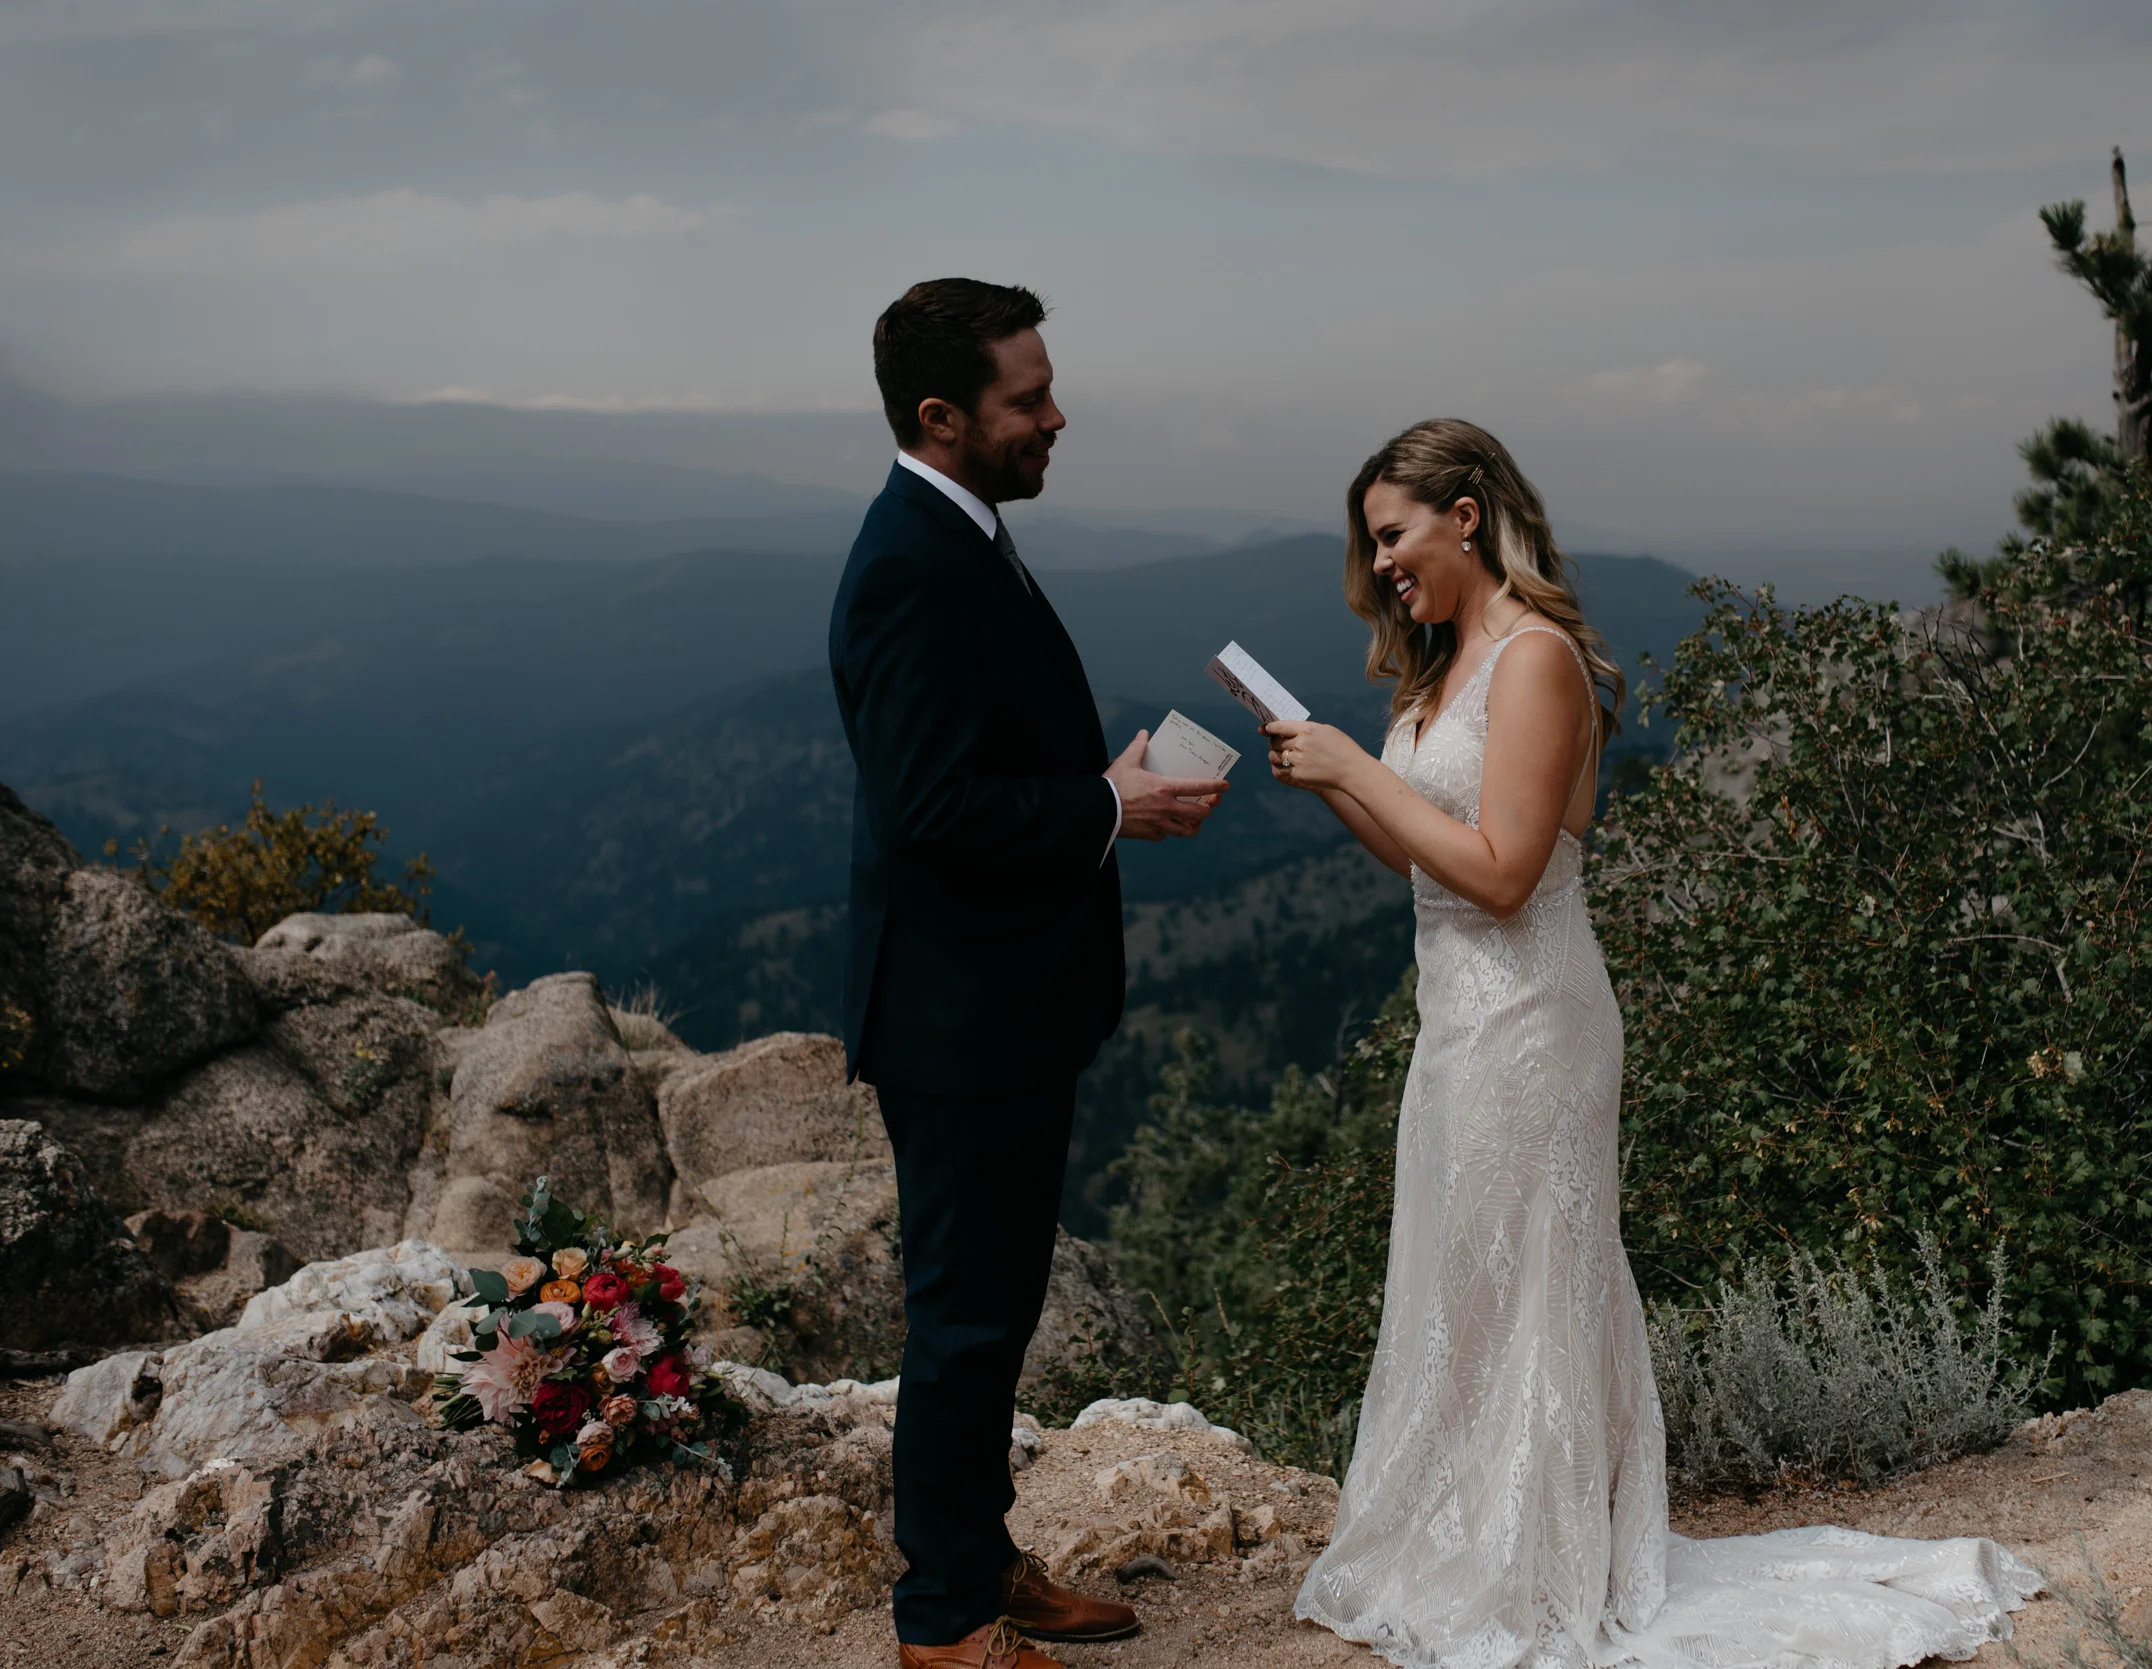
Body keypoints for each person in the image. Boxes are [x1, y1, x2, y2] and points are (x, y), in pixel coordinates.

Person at [1264, 418, 2040, 1669]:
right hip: (1455, 1016)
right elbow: (1429, 867)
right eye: (1372, 545)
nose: (1385, 564)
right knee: (1466, 1276)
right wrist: (1345, 784)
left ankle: (1543, 1553)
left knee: (1534, 1283)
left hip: (1533, 1017)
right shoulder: (1445, 661)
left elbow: (1510, 876)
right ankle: (1472, 1534)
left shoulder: (1536, 661)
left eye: (1394, 534)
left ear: (1466, 513)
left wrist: (1364, 761)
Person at [826, 278, 1229, 1669]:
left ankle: (980, 1557)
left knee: (991, 1314)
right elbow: (929, 811)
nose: (1057, 417)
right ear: (942, 418)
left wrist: (1099, 789)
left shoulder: (960, 535)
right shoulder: (906, 565)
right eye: (1027, 400)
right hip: (958, 1023)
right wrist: (1112, 806)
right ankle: (940, 1631)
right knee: (961, 1319)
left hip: (1002, 1008)